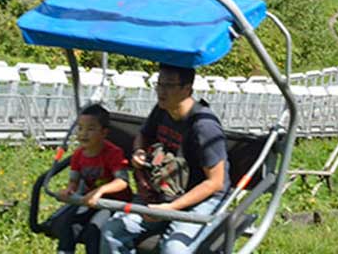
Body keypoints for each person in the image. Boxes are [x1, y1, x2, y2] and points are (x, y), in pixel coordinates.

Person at [101, 64, 229, 254]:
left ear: (187, 89)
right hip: (164, 191)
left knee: (173, 249)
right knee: (113, 231)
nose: (161, 91)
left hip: (202, 199)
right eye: (159, 84)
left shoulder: (204, 127)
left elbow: (215, 183)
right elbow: (143, 134)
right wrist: (138, 151)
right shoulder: (163, 110)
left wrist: (170, 208)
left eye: (168, 85)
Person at [52, 104, 130, 254]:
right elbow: (74, 181)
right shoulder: (78, 155)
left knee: (93, 230)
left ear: (104, 132)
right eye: (80, 128)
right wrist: (69, 190)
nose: (83, 134)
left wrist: (100, 191)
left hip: (111, 202)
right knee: (69, 224)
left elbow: (122, 182)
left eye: (90, 129)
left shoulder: (113, 153)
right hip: (89, 199)